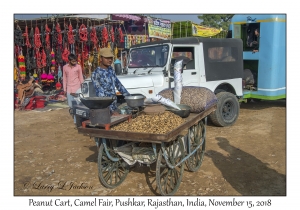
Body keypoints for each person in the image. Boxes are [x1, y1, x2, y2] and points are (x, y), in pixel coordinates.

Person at [91, 48, 130, 115]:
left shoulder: (111, 70)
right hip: (105, 109)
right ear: (101, 58)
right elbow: (100, 95)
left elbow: (118, 85)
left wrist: (129, 97)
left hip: (114, 106)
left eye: (111, 58)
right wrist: (111, 111)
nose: (110, 60)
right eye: (107, 58)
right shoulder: (96, 74)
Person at [63, 53, 84, 124]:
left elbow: (81, 77)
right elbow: (64, 79)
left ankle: (76, 121)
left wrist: (83, 87)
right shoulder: (65, 68)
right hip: (69, 88)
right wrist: (64, 89)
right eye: (73, 61)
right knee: (71, 105)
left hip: (77, 88)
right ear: (69, 61)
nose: (75, 62)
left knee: (77, 105)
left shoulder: (78, 67)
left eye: (75, 61)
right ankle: (76, 117)